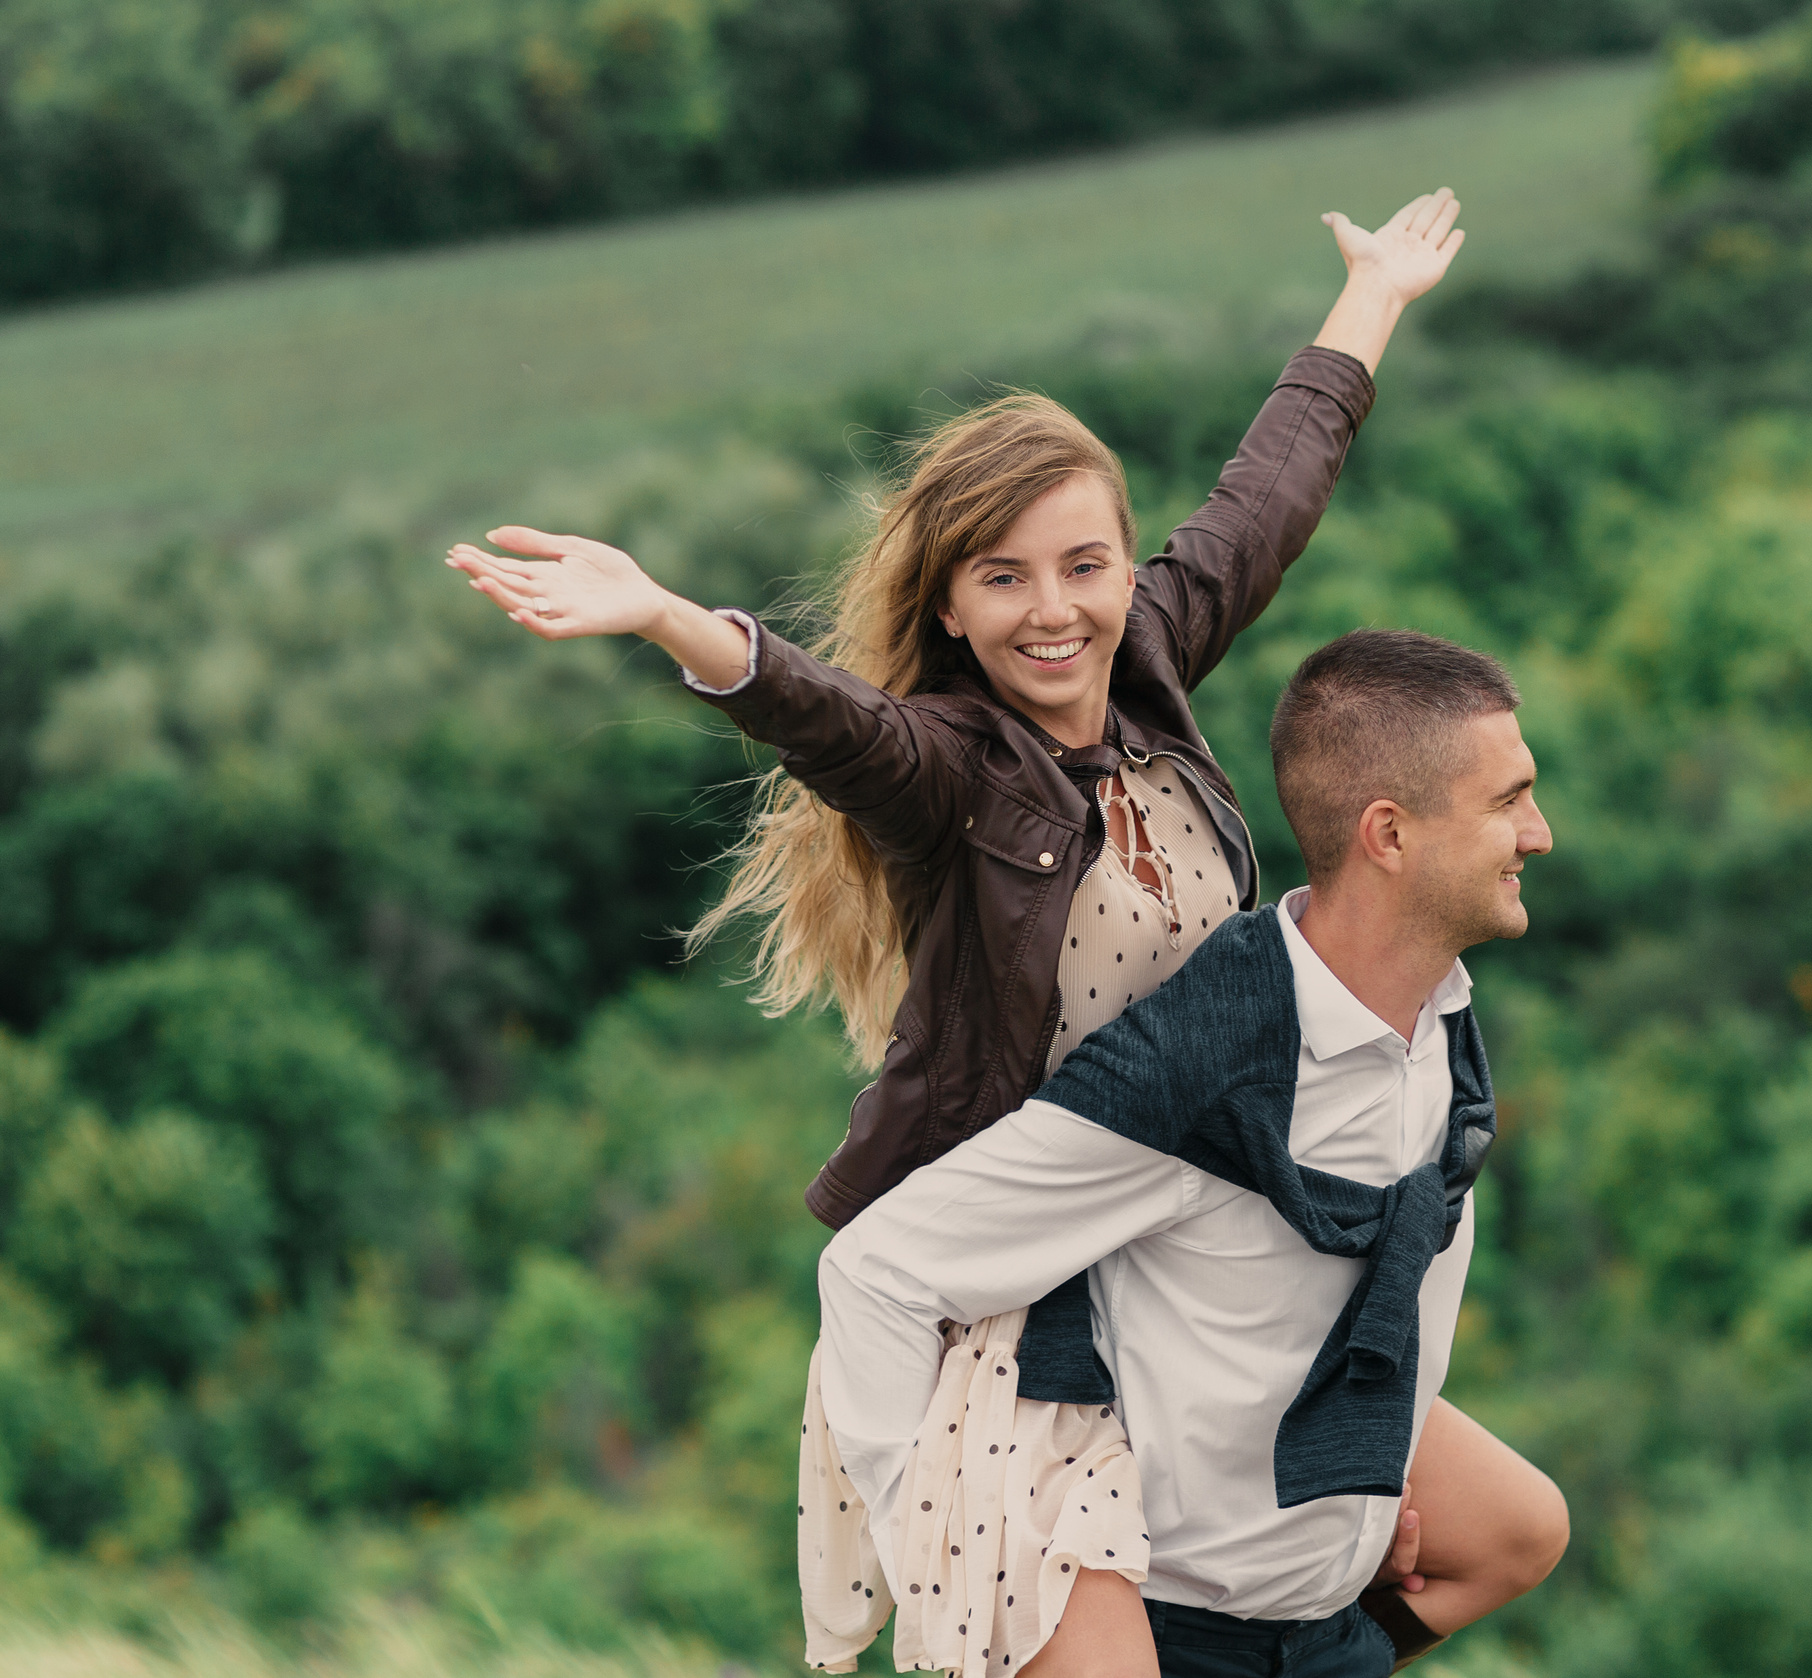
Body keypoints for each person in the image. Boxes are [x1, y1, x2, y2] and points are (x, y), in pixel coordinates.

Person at [443, 194, 1564, 1676]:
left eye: (1086, 565)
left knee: (1504, 1524)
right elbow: (830, 725)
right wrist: (672, 623)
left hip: (1189, 1219)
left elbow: (1262, 504)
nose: (1058, 612)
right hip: (1034, 1266)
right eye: (1004, 578)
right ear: (954, 610)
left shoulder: (1150, 663)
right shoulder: (957, 773)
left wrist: (1369, 302)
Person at [819, 629, 1562, 1678]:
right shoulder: (1204, 1056)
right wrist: (937, 1554)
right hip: (1156, 1622)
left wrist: (1372, 1488)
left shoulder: (1442, 1024)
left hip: (1323, 1623)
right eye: (1508, 800)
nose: (1538, 832)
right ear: (1388, 834)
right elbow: (877, 1266)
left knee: (1523, 1528)